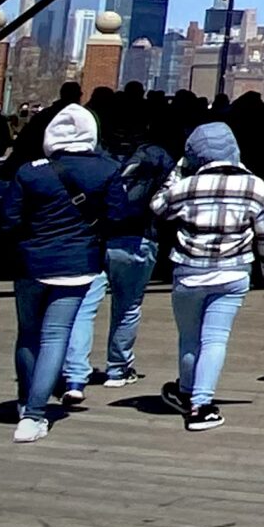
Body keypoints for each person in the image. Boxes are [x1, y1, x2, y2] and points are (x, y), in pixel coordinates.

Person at [149, 122, 264, 430]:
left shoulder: (186, 187)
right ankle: (201, 404)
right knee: (215, 339)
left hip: (189, 271)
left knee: (189, 338)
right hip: (233, 271)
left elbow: (157, 206)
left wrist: (179, 170)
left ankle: (185, 391)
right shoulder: (255, 187)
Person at [0, 103, 115, 442]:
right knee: (55, 337)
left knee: (28, 335)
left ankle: (23, 402)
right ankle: (34, 416)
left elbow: (8, 221)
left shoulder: (30, 171)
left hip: (31, 262)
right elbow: (118, 215)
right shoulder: (106, 170)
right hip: (77, 264)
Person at [69, 115, 177, 390]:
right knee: (127, 307)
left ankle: (75, 373)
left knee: (84, 306)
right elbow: (170, 197)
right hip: (139, 237)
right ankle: (118, 369)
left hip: (96, 238)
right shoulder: (157, 155)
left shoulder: (96, 156)